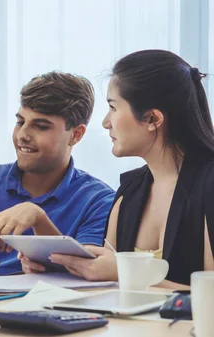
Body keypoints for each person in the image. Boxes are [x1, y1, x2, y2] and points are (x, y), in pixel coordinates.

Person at [49, 50, 214, 288]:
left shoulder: (209, 186)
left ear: (152, 119)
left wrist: (125, 273)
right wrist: (56, 265)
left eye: (113, 108)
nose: (106, 122)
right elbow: (108, 280)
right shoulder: (129, 191)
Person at [0, 71, 114, 273]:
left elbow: (86, 272)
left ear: (76, 134)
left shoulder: (99, 201)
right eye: (20, 122)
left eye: (40, 126)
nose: (22, 135)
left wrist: (38, 218)